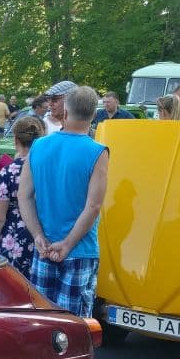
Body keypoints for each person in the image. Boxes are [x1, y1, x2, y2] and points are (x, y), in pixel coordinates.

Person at [18, 86, 109, 318]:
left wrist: (38, 235)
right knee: (74, 326)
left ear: (65, 112)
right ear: (93, 115)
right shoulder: (97, 152)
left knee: (43, 320)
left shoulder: (39, 146)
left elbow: (24, 196)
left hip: (45, 247)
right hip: (80, 249)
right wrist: (68, 244)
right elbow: (93, 206)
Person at [0, 115, 45, 277]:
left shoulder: (10, 171)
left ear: (16, 140)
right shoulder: (48, 168)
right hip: (43, 240)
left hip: (14, 242)